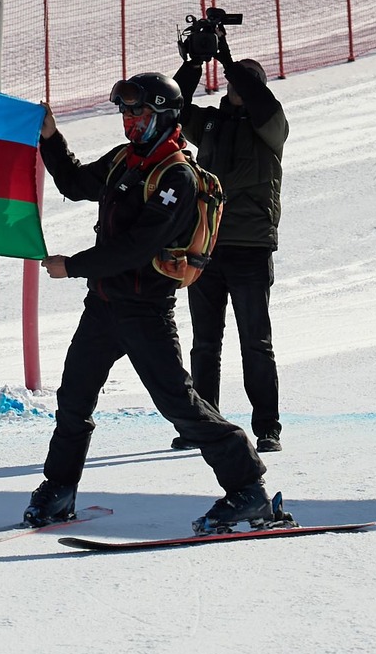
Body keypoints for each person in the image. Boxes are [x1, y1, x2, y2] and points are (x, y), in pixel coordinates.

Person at [30, 72, 292, 534]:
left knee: (180, 405)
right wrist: (50, 136)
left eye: (139, 111)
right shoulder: (122, 162)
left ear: (164, 115)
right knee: (73, 398)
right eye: (125, 112)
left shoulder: (176, 176)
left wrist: (72, 266)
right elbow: (73, 182)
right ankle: (59, 489)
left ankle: (248, 488)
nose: (129, 120)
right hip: (104, 306)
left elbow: (136, 246)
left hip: (144, 309)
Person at [170, 45, 290, 454]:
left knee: (255, 341)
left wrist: (227, 58)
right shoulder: (210, 123)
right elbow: (173, 105)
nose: (239, 87)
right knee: (205, 342)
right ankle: (204, 423)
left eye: (247, 81)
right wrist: (193, 63)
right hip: (207, 245)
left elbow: (258, 99)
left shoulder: (271, 125)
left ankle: (267, 427)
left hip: (252, 248)